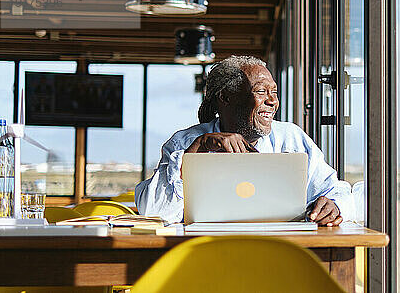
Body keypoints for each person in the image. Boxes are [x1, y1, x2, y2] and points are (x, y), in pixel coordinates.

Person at [135, 55, 355, 225]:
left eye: (274, 92)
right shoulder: (186, 141)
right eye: (261, 91)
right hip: (203, 257)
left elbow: (337, 191)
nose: (272, 101)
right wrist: (197, 150)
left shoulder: (291, 138)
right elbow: (154, 213)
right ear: (226, 98)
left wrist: (335, 205)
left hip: (279, 256)